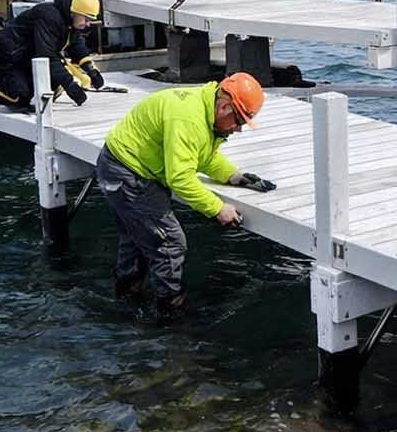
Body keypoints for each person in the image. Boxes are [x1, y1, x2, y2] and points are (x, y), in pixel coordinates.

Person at [96, 72, 275, 317]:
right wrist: (217, 208)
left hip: (121, 167)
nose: (239, 129)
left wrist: (233, 175)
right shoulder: (188, 119)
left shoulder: (202, 108)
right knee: (169, 243)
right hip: (129, 175)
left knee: (137, 239)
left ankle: (126, 302)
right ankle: (171, 316)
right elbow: (179, 177)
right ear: (224, 107)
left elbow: (200, 155)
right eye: (239, 121)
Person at [0, 0, 104, 108]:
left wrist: (91, 71)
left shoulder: (70, 21)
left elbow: (76, 45)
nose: (88, 24)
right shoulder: (49, 17)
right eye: (86, 19)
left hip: (30, 55)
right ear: (74, 12)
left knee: (53, 84)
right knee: (20, 97)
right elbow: (47, 55)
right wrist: (70, 84)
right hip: (11, 58)